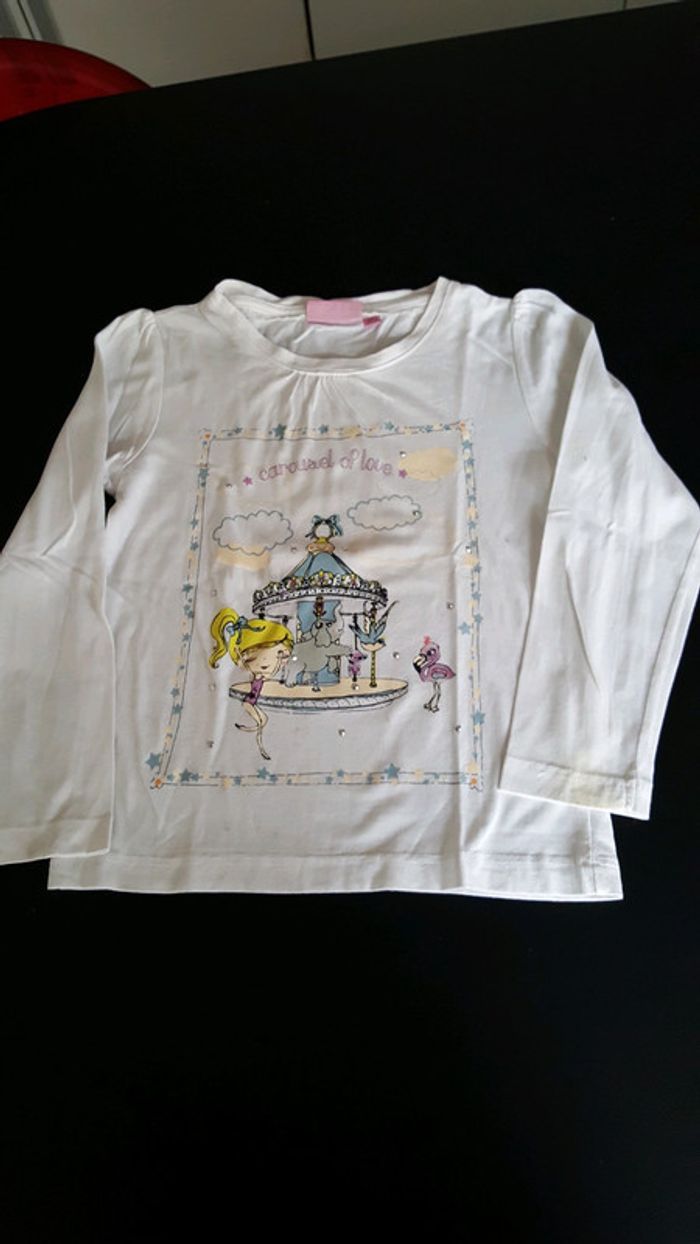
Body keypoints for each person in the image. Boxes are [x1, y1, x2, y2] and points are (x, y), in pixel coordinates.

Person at [209, 607, 294, 761]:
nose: (277, 666)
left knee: (262, 719)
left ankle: (255, 732)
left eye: (283, 657)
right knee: (261, 719)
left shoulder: (260, 676)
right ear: (242, 658)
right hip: (249, 701)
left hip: (251, 699)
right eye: (265, 666)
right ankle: (258, 737)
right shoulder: (255, 673)